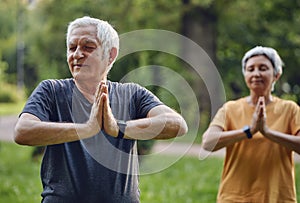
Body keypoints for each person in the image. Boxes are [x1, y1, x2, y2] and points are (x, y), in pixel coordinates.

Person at [14, 16, 188, 203]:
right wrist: (87, 129)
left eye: (88, 47)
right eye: (72, 48)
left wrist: (117, 128)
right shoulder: (51, 90)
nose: (77, 54)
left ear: (110, 54)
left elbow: (177, 125)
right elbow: (23, 131)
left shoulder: (132, 94)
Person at [201, 46, 300, 203]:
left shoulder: (290, 109)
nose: (256, 74)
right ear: (245, 74)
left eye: (263, 68)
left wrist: (267, 132)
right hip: (234, 197)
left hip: (278, 198)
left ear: (276, 74)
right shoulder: (231, 108)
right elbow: (207, 143)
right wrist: (249, 131)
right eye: (250, 69)